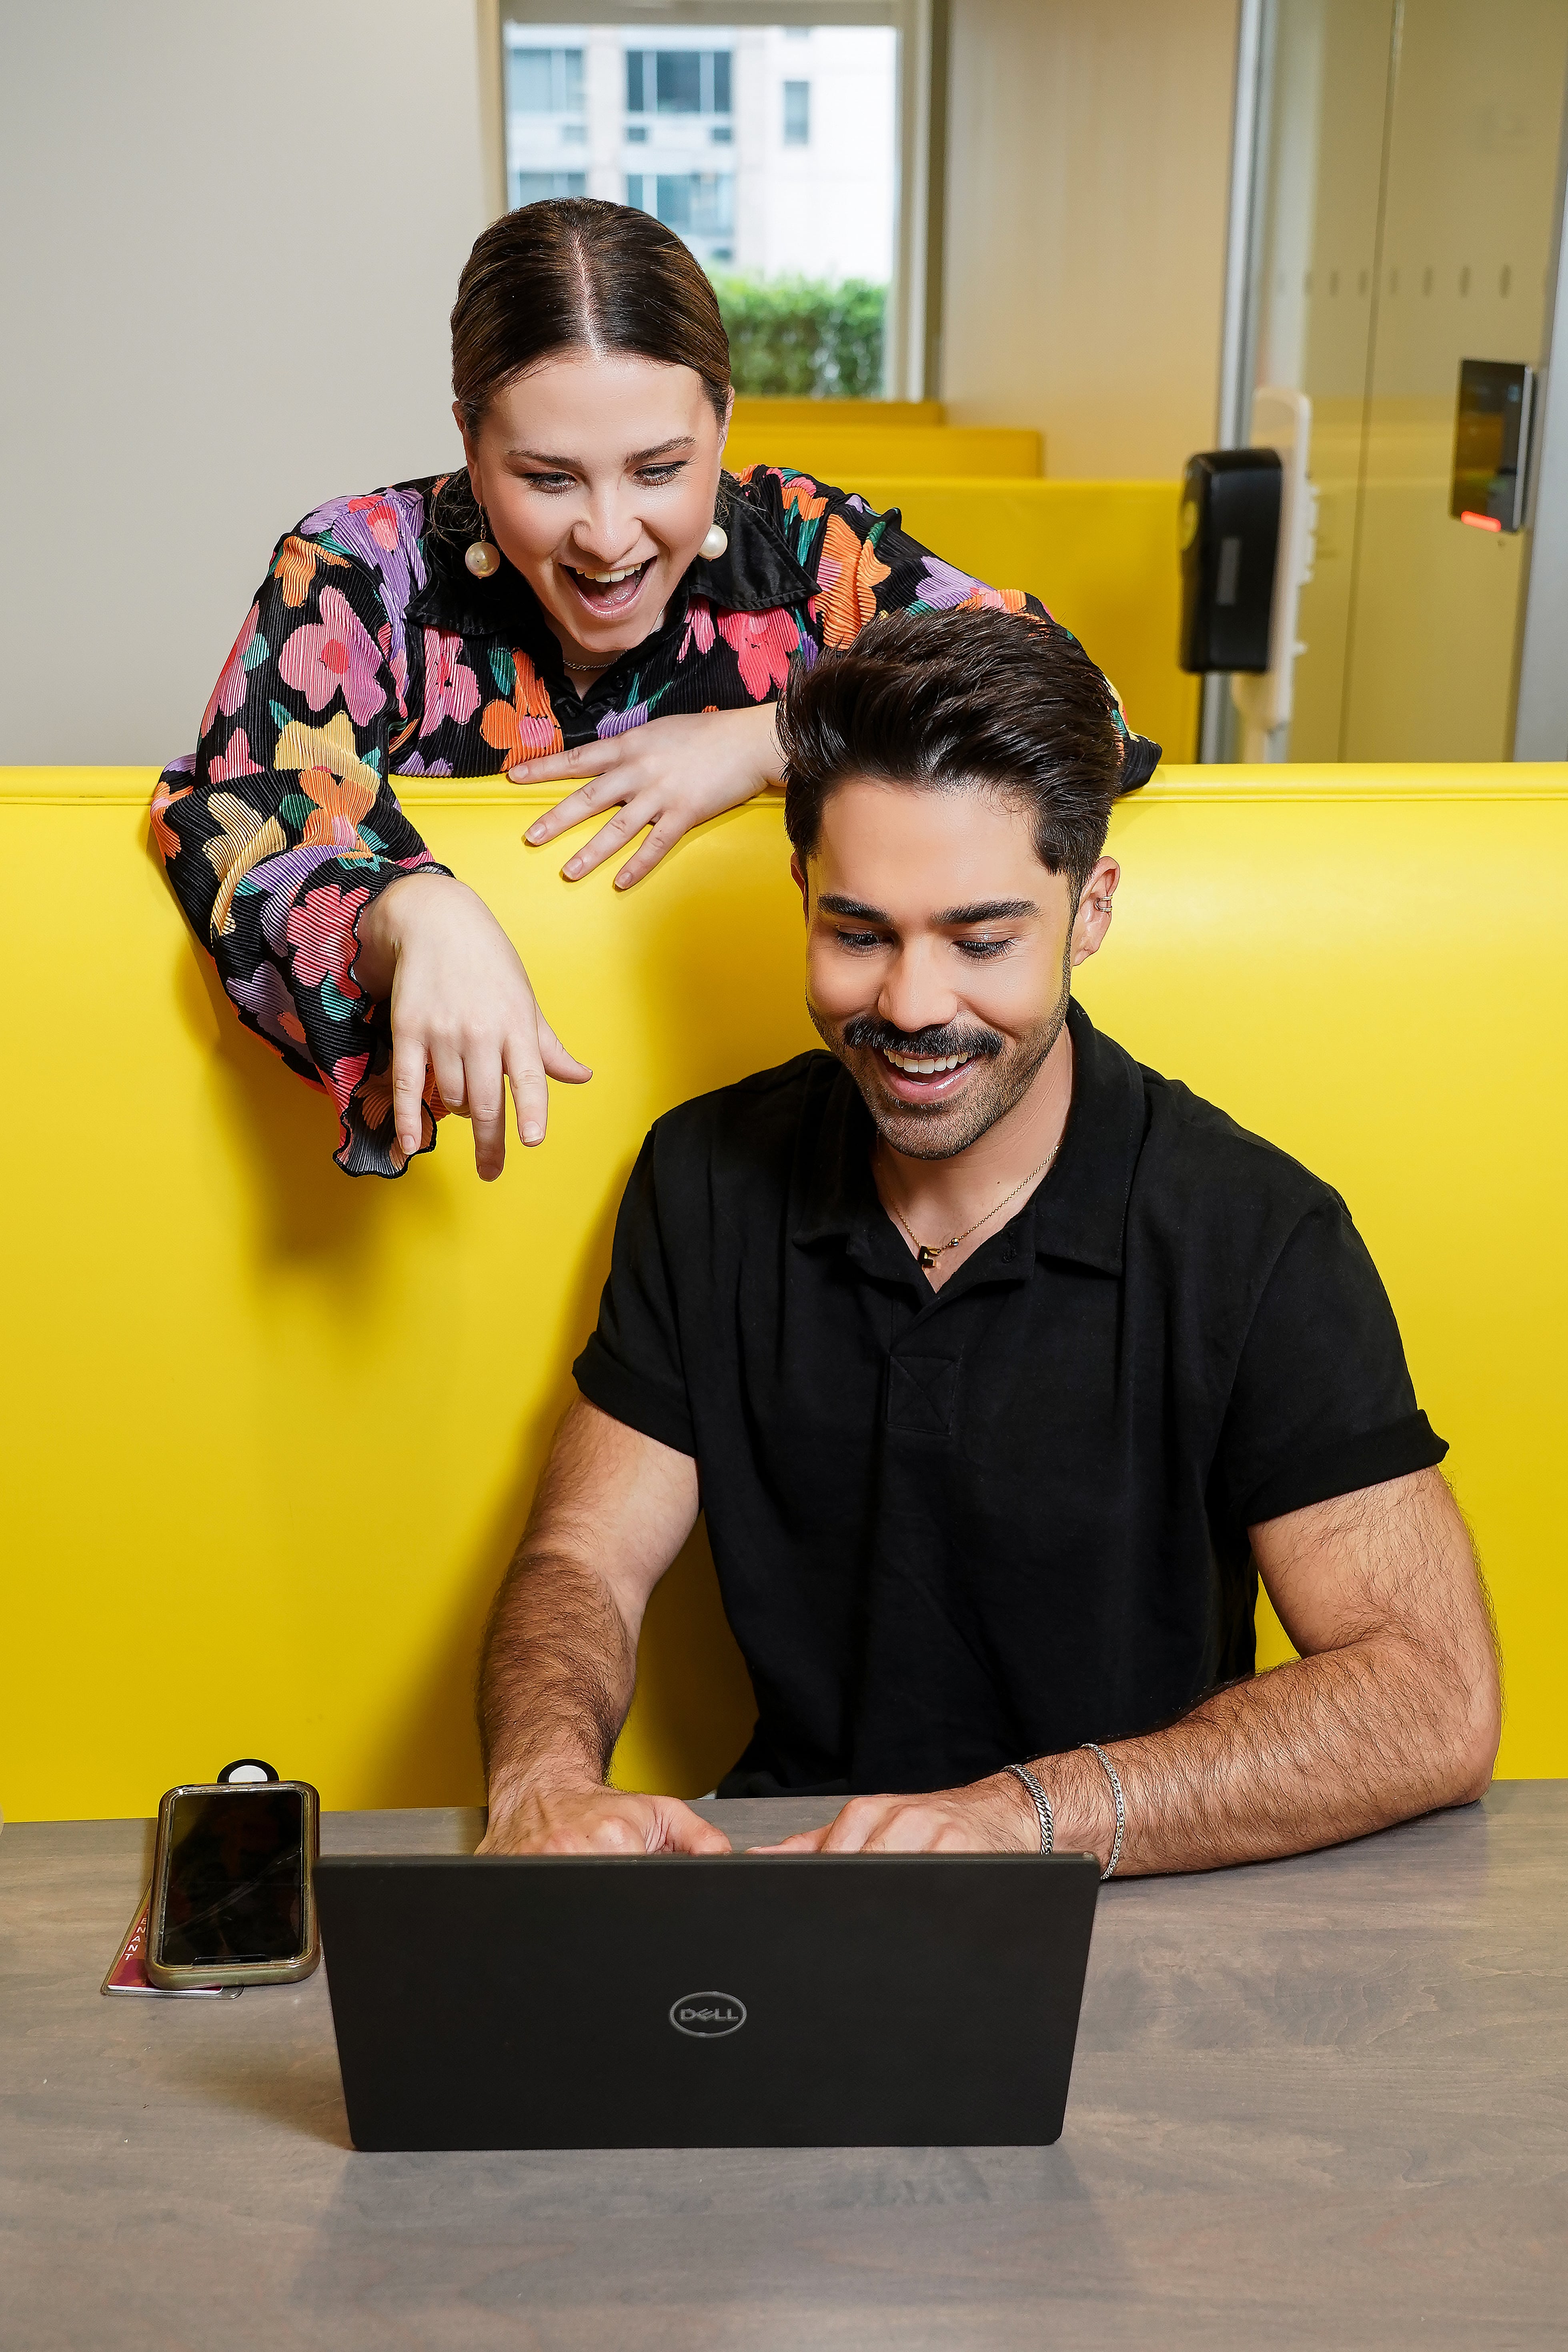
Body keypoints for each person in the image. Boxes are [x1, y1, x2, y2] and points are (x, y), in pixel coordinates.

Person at [476, 606, 1501, 1872]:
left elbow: (1432, 1701)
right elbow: (585, 1561)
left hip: (1140, 1905)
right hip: (792, 1905)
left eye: (982, 939)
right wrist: (541, 1780)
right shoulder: (702, 1179)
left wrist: (1018, 1823)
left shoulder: (1254, 1232)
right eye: (858, 935)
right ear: (801, 893)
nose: (911, 1006)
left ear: (1091, 911)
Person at [151, 197, 1159, 1179]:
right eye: (548, 478)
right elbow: (238, 815)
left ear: (722, 425)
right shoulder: (365, 569)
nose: (607, 534)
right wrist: (409, 912)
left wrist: (780, 736)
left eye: (660, 469)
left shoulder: (807, 549)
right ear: (468, 441)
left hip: (770, 1166)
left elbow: (1081, 711)